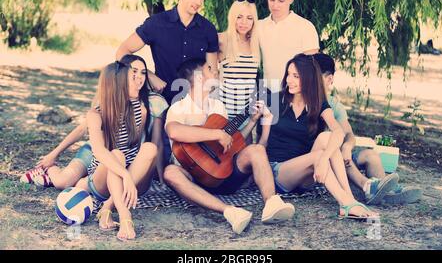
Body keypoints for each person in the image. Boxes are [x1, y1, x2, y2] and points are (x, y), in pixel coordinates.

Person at [163, 58, 295, 235]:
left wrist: (252, 121)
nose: (216, 71)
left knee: (256, 150)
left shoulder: (218, 106)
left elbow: (230, 141)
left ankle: (272, 203)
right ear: (199, 77)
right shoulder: (178, 107)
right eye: (210, 69)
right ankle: (230, 212)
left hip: (222, 174)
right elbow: (174, 131)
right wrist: (216, 134)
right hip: (193, 178)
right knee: (170, 173)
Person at [20, 55, 169, 188]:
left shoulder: (147, 104)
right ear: (121, 75)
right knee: (63, 182)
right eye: (134, 71)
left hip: (121, 158)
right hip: (94, 153)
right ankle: (49, 170)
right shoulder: (106, 102)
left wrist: (160, 180)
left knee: (86, 184)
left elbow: (151, 144)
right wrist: (54, 153)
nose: (139, 77)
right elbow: (82, 129)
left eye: (143, 72)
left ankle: (54, 179)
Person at [259, 54, 379, 220]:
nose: (289, 80)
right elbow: (263, 142)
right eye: (288, 74)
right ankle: (347, 203)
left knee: (326, 137)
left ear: (308, 78)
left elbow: (338, 132)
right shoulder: (274, 100)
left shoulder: (318, 102)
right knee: (319, 155)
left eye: (296, 76)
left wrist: (324, 159)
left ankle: (348, 198)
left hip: (308, 174)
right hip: (280, 173)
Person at [314, 52, 422, 204]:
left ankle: (385, 189)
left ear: (329, 79)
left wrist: (347, 147)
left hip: (341, 155)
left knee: (370, 155)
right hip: (324, 156)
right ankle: (371, 188)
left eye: (315, 76)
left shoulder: (334, 105)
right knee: (338, 153)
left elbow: (349, 134)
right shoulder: (309, 102)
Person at [77, 56, 158, 241]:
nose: (139, 82)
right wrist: (125, 175)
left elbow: (135, 144)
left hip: (129, 173)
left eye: (141, 75)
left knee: (150, 148)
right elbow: (98, 151)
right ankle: (124, 215)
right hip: (104, 175)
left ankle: (107, 207)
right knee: (116, 155)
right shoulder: (96, 114)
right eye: (132, 77)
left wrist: (130, 173)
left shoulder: (140, 108)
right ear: (116, 84)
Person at [115, 0, 219, 104]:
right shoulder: (156, 24)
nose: (198, 2)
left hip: (195, 106)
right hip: (161, 101)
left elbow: (212, 74)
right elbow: (122, 52)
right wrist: (148, 75)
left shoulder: (208, 29)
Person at [258, 0, 320, 93]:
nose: (275, 5)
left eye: (281, 0)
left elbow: (312, 68)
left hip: (294, 94)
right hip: (268, 92)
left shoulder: (305, 27)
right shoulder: (259, 26)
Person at [218, 0, 261, 143]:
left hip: (245, 114)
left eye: (249, 18)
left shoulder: (255, 44)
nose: (244, 22)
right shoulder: (222, 40)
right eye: (239, 17)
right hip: (223, 114)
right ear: (232, 18)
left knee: (243, 157)